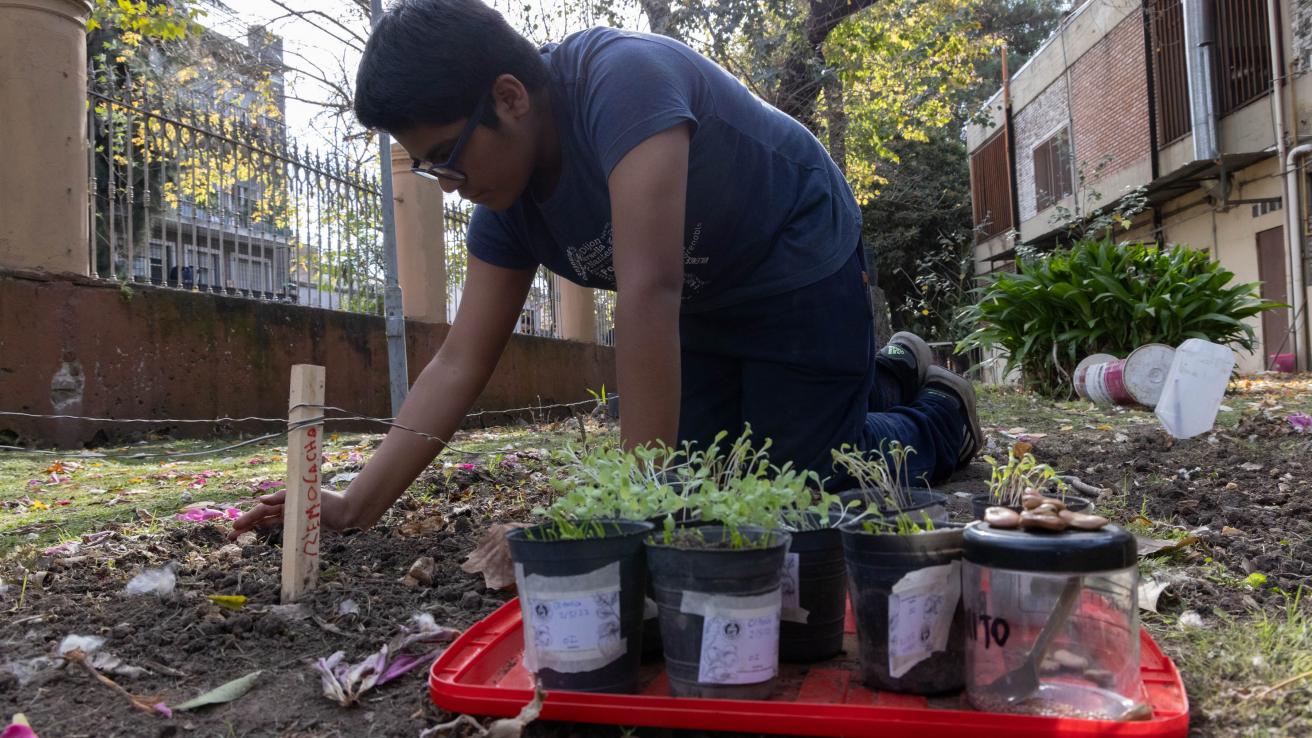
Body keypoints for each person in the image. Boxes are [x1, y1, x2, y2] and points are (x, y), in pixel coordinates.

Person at [230, 0, 983, 539]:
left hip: (797, 259)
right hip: (705, 305)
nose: (452, 187)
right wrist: (355, 503)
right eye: (431, 173)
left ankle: (939, 414)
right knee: (711, 489)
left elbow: (648, 292)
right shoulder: (508, 204)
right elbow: (460, 359)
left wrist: (638, 508)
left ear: (510, 96)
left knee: (795, 492)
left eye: (450, 160)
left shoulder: (625, 82)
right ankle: (877, 373)